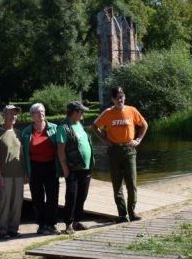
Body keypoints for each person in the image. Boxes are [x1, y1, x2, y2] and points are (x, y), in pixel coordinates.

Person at [92, 86, 149, 222]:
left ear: (124, 97)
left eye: (122, 96)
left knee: (131, 184)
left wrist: (138, 140)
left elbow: (144, 125)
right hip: (114, 151)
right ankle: (122, 214)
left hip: (129, 150)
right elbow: (94, 126)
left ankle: (132, 212)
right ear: (113, 99)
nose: (120, 99)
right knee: (117, 184)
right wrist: (104, 140)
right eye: (117, 97)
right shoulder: (108, 113)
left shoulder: (132, 110)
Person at [22, 103, 61, 235]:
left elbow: (61, 149)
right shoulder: (27, 132)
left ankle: (51, 224)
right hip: (34, 167)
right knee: (37, 198)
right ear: (32, 115)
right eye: (38, 112)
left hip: (51, 166)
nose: (41, 114)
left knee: (52, 197)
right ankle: (41, 224)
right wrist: (25, 172)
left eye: (43, 111)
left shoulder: (54, 128)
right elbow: (23, 154)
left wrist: (62, 167)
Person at [56, 100, 93, 234]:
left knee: (82, 196)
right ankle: (68, 224)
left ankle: (77, 221)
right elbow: (60, 151)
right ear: (74, 112)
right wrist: (65, 168)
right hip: (72, 168)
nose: (83, 113)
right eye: (81, 111)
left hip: (86, 167)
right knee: (71, 196)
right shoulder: (63, 127)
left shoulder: (79, 124)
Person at [0, 104, 24, 238]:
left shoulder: (19, 133)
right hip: (5, 175)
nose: (13, 116)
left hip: (19, 174)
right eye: (10, 113)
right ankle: (2, 230)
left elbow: (22, 155)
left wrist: (26, 173)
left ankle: (13, 229)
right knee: (4, 203)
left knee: (17, 203)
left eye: (15, 114)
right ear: (4, 115)